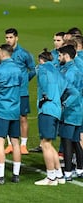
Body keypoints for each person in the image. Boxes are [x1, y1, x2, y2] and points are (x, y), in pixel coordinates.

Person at [34, 49, 72, 186]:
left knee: (45, 144)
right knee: (49, 144)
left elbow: (43, 83)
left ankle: (50, 177)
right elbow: (70, 90)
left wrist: (45, 98)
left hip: (47, 109)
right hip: (57, 110)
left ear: (41, 60)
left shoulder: (43, 68)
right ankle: (59, 175)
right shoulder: (58, 72)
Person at [0, 44, 22, 184]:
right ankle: (16, 175)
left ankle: (0, 176)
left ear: (2, 53)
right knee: (15, 142)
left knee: (0, 142)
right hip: (15, 110)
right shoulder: (18, 70)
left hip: (1, 110)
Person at [4, 28, 35, 155]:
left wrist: (24, 80)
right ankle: (10, 144)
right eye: (7, 37)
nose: (8, 40)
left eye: (11, 37)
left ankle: (23, 145)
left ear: (16, 38)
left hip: (21, 91)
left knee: (22, 118)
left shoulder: (24, 53)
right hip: (7, 91)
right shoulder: (4, 52)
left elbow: (33, 69)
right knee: (8, 117)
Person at [57, 45, 83, 181]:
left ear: (66, 56)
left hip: (70, 112)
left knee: (67, 141)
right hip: (78, 109)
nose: (58, 58)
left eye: (60, 55)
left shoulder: (69, 73)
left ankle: (67, 172)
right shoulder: (77, 70)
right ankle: (80, 169)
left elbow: (72, 93)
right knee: (75, 141)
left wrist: (63, 105)